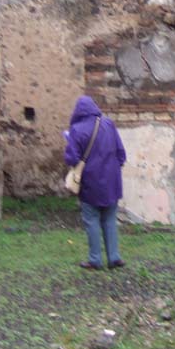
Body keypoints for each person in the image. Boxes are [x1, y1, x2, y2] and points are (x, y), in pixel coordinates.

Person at [64, 95, 126, 270]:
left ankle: (95, 259)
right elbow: (121, 154)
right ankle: (114, 257)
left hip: (90, 182)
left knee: (91, 220)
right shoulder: (108, 124)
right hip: (112, 182)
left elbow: (72, 157)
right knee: (110, 219)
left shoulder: (76, 129)